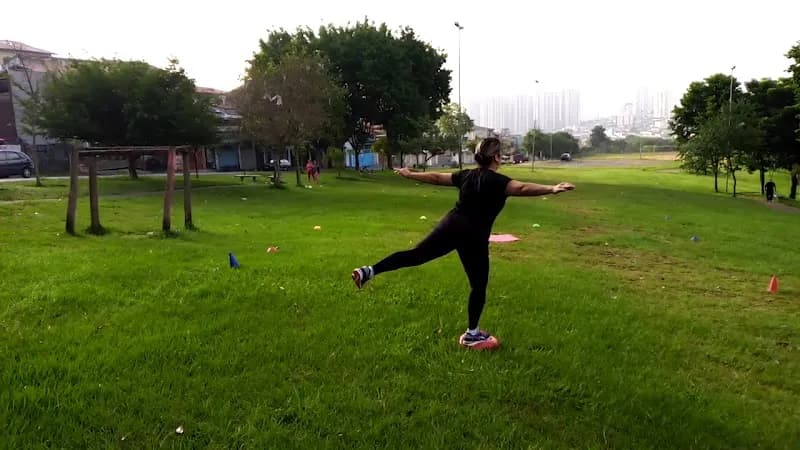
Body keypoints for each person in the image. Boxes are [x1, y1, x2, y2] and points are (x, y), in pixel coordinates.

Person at [350, 137, 575, 350]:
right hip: (473, 236)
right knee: (478, 285)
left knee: (415, 255)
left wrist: (410, 174)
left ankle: (369, 270)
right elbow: (522, 188)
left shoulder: (466, 175)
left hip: (451, 225)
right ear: (497, 157)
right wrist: (552, 188)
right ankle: (472, 334)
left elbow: (437, 178)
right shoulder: (499, 181)